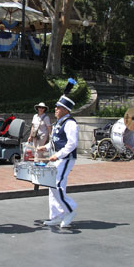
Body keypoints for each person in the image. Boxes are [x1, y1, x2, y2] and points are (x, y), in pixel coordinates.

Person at [37, 79, 79, 228]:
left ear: (66, 110)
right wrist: (47, 147)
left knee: (57, 185)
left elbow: (72, 143)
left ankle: (70, 209)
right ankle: (56, 215)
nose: (55, 109)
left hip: (65, 159)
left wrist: (58, 155)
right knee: (51, 185)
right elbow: (56, 141)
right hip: (56, 158)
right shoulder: (59, 123)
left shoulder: (70, 123)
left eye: (58, 107)